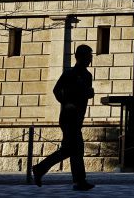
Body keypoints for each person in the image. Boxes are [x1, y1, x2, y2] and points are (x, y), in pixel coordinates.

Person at [33, 44, 95, 191]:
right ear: (79, 57)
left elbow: (85, 94)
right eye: (88, 56)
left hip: (78, 118)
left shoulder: (87, 76)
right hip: (68, 118)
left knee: (70, 150)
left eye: (90, 56)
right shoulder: (69, 74)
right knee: (76, 148)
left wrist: (89, 93)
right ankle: (79, 181)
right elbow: (56, 90)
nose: (90, 59)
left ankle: (40, 169)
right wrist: (66, 103)